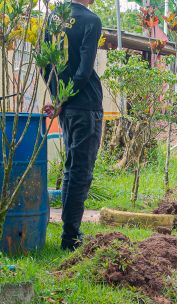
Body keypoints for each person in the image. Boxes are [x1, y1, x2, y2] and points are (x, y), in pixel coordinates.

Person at [43, 0, 104, 251]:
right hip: (85, 105)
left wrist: (58, 97)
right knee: (80, 172)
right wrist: (63, 98)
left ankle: (70, 232)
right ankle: (70, 238)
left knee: (72, 169)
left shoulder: (53, 18)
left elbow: (45, 63)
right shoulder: (91, 20)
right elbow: (84, 69)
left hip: (67, 107)